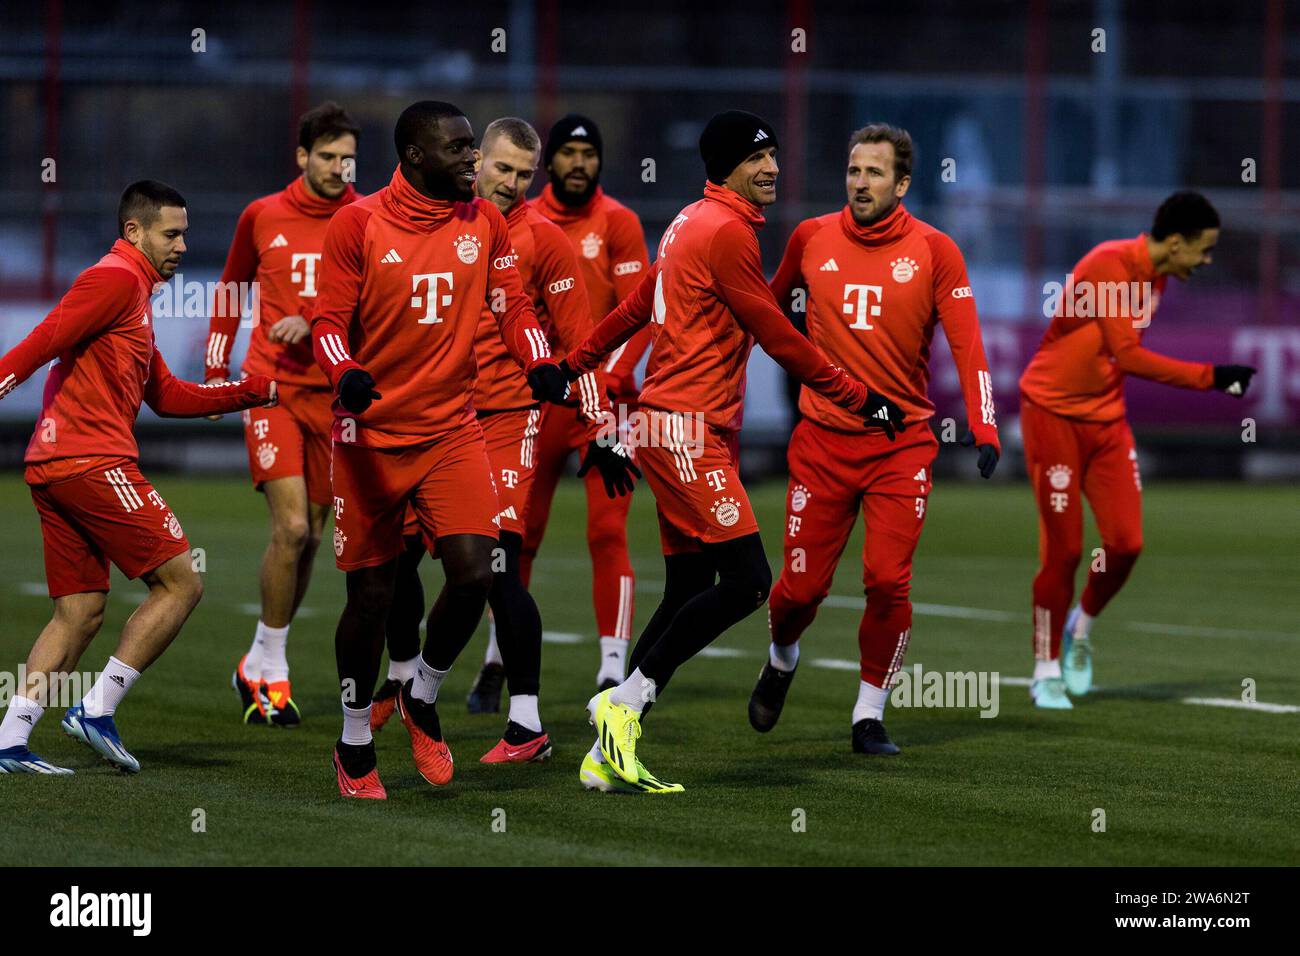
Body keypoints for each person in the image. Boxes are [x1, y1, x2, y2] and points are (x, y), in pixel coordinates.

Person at [558, 110, 905, 792]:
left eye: (775, 153)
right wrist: (861, 397)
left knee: (689, 585)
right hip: (685, 427)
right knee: (748, 581)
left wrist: (577, 359)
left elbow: (637, 304)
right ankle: (624, 702)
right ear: (726, 166)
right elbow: (777, 336)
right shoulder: (723, 233)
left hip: (670, 424)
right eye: (758, 158)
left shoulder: (692, 220)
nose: (773, 167)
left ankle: (608, 744)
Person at [309, 101, 568, 799]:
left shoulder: (482, 222)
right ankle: (355, 738)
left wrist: (537, 359)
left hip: (453, 429)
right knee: (371, 595)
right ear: (416, 158)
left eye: (471, 150)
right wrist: (346, 372)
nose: (472, 163)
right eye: (458, 151)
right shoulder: (357, 224)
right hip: (371, 436)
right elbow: (327, 320)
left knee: (478, 573)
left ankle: (422, 691)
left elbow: (512, 305)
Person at [370, 117, 636, 764]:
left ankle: (526, 720)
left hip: (506, 420)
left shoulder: (544, 242)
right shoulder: (429, 222)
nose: (512, 183)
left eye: (524, 172)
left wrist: (602, 425)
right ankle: (405, 680)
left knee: (498, 564)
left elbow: (579, 341)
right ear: (475, 161)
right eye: (501, 169)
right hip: (421, 416)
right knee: (394, 561)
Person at [0, 181, 276, 774]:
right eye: (170, 234)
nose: (182, 245)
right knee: (182, 582)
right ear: (135, 232)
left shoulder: (134, 294)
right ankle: (96, 709)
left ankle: (9, 738)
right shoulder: (116, 280)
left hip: (55, 467)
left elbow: (168, 397)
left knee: (78, 614)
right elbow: (45, 339)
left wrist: (257, 390)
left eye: (185, 233)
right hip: (92, 462)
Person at [752, 123, 1001, 755]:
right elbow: (765, 314)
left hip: (901, 446)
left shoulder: (937, 250)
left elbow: (969, 347)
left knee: (889, 581)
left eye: (875, 173)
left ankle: (868, 714)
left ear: (903, 183)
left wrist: (985, 423)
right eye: (854, 170)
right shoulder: (811, 237)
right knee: (799, 591)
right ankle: (782, 657)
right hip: (822, 444)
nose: (860, 183)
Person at [1018, 191, 1256, 708]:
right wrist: (1213, 378)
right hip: (1053, 417)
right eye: (1205, 249)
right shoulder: (1108, 264)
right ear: (1176, 242)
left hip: (1106, 423)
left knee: (1125, 545)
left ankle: (1080, 627)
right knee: (1064, 552)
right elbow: (1126, 354)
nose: (1207, 259)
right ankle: (1044, 669)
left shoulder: (1159, 276)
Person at [462, 114, 650, 704]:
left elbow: (635, 312)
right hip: (537, 399)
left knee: (607, 530)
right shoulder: (514, 225)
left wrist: (610, 382)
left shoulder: (616, 222)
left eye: (586, 154)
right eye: (566, 153)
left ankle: (611, 669)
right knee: (521, 535)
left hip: (600, 396)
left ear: (598, 161)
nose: (577, 163)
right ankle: (495, 660)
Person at [204, 101, 361, 727]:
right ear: (302, 156)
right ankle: (274, 665)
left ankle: (258, 661)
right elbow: (233, 286)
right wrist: (218, 373)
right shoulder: (262, 215)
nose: (338, 168)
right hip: (269, 388)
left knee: (314, 538)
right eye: (327, 156)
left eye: (348, 157)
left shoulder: (365, 217)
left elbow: (377, 295)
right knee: (292, 529)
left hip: (331, 395)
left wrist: (325, 319)